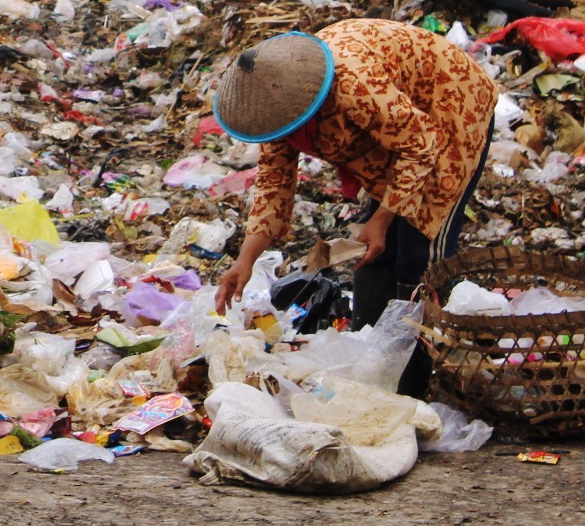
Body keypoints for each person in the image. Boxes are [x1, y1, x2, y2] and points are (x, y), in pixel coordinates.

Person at [209, 19, 496, 397]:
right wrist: (245, 260)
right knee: (375, 251)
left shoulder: (354, 88)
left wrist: (382, 218)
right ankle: (374, 361)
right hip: (397, 132)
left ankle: (421, 382)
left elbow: (421, 144)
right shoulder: (277, 112)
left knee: (421, 253)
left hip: (449, 107)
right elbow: (274, 185)